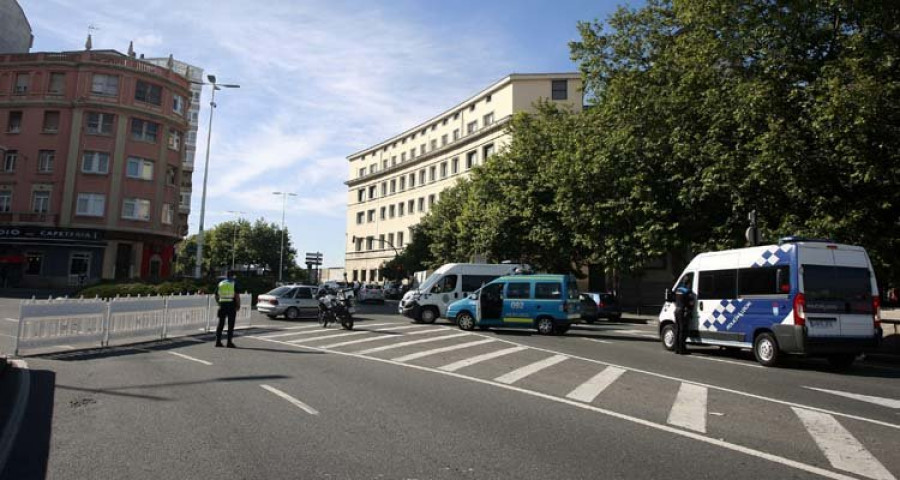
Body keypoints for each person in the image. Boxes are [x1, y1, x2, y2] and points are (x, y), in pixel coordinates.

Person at [215, 270, 240, 348]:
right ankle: (229, 342)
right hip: (231, 305)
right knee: (230, 324)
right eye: (234, 276)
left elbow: (216, 295)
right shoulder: (233, 283)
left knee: (221, 323)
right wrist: (238, 305)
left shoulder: (221, 283)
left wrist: (219, 302)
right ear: (232, 276)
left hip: (222, 305)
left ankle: (218, 341)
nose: (235, 277)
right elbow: (236, 296)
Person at [673, 283, 696, 355]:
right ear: (688, 284)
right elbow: (691, 303)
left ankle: (676, 349)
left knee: (678, 329)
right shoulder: (688, 292)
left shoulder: (678, 290)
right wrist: (690, 311)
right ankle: (682, 349)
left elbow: (674, 300)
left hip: (677, 310)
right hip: (683, 311)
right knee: (683, 331)